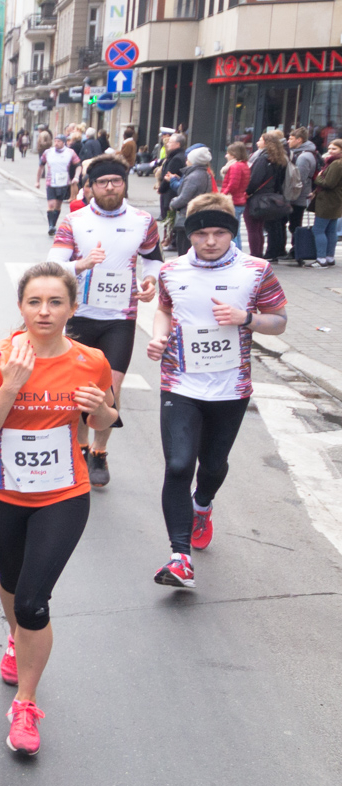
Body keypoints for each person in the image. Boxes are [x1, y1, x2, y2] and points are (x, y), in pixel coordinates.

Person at [0, 263, 117, 756]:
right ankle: (17, 639)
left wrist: (101, 412)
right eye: (35, 302)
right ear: (21, 307)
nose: (44, 311)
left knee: (33, 601)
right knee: (11, 581)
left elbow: (106, 418)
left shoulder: (92, 360)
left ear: (73, 308)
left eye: (55, 302)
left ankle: (25, 704)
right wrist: (11, 385)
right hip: (1, 495)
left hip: (63, 495)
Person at [145, 193, 288, 590]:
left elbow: (279, 320)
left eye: (219, 233)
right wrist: (158, 338)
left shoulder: (256, 270)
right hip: (180, 382)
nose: (210, 241)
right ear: (190, 234)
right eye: (201, 233)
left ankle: (202, 504)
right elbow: (164, 309)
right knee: (178, 465)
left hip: (230, 387)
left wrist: (247, 318)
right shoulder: (172, 271)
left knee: (212, 465)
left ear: (231, 232)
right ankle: (180, 558)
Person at [46, 155, 162, 489]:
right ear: (90, 187)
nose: (110, 187)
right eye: (102, 182)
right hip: (80, 314)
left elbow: (153, 259)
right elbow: (54, 264)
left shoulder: (143, 221)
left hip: (120, 317)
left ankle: (99, 450)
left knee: (109, 389)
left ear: (124, 183)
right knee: (79, 389)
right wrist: (81, 264)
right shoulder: (75, 220)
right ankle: (81, 446)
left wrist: (151, 282)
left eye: (116, 181)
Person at [244, 131, 290, 260]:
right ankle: (259, 253)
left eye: (260, 139)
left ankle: (255, 253)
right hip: (269, 195)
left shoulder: (263, 159)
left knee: (253, 227)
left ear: (266, 143)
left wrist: (247, 192)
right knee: (259, 227)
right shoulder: (279, 159)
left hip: (257, 196)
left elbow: (255, 180)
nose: (257, 142)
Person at [286, 127, 320, 259]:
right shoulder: (305, 153)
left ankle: (296, 250)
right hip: (300, 195)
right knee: (295, 223)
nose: (288, 141)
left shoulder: (304, 156)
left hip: (298, 196)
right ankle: (296, 250)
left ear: (299, 140)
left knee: (295, 224)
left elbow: (299, 179)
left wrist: (291, 196)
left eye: (291, 138)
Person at [37, 133, 79, 235]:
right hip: (50, 182)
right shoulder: (48, 152)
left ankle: (53, 224)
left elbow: (78, 165)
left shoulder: (70, 152)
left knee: (57, 206)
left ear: (63, 142)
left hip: (63, 182)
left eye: (59, 141)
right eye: (55, 141)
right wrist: (37, 181)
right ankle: (51, 226)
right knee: (51, 205)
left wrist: (76, 177)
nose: (56, 143)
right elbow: (41, 166)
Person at [310, 139, 342, 267]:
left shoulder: (336, 164)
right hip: (335, 200)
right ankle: (329, 257)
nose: (330, 151)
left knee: (318, 230)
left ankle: (321, 259)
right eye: (329, 148)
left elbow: (329, 183)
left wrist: (318, 177)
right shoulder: (334, 162)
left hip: (328, 200)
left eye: (334, 149)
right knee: (331, 230)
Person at [222, 142, 251, 249]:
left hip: (233, 201)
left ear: (234, 154)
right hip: (240, 200)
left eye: (228, 153)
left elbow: (233, 185)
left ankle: (235, 251)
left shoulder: (235, 166)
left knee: (232, 230)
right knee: (236, 230)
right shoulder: (244, 165)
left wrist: (223, 194)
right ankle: (238, 251)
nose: (226, 156)